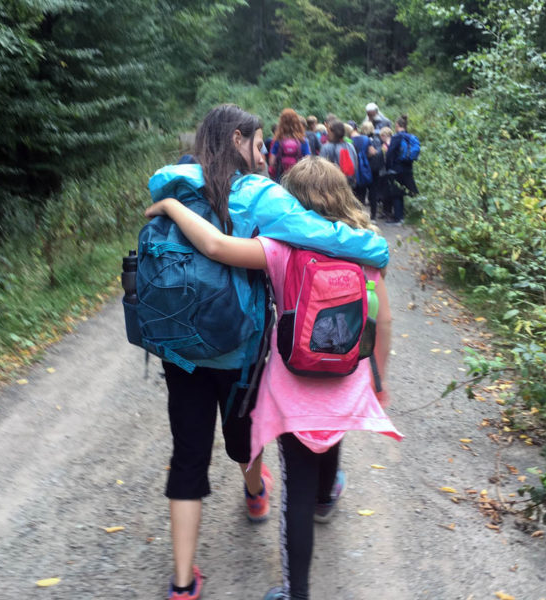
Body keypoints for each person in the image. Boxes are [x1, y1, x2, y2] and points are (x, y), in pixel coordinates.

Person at [147, 104, 389, 600]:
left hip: (178, 345)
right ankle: (257, 493)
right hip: (237, 346)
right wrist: (375, 249)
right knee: (244, 432)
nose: (264, 156)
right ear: (238, 140)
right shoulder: (257, 193)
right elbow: (318, 232)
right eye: (259, 146)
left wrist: (170, 208)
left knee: (188, 454)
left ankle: (182, 583)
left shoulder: (170, 184)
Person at [384, 115, 420, 224]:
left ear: (397, 125)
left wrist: (388, 166)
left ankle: (398, 218)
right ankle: (405, 216)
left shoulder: (396, 137)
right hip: (408, 168)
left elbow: (390, 153)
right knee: (403, 193)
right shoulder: (410, 137)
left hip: (396, 169)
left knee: (396, 194)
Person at [269, 108, 311, 182]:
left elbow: (271, 162)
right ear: (296, 121)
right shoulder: (303, 141)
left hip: (280, 178)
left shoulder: (278, 140)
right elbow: (308, 161)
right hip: (298, 179)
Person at [320, 120, 358, 188]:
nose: (327, 134)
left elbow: (322, 169)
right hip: (349, 183)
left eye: (328, 131)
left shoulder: (326, 147)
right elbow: (355, 162)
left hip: (333, 186)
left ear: (332, 132)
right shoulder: (350, 145)